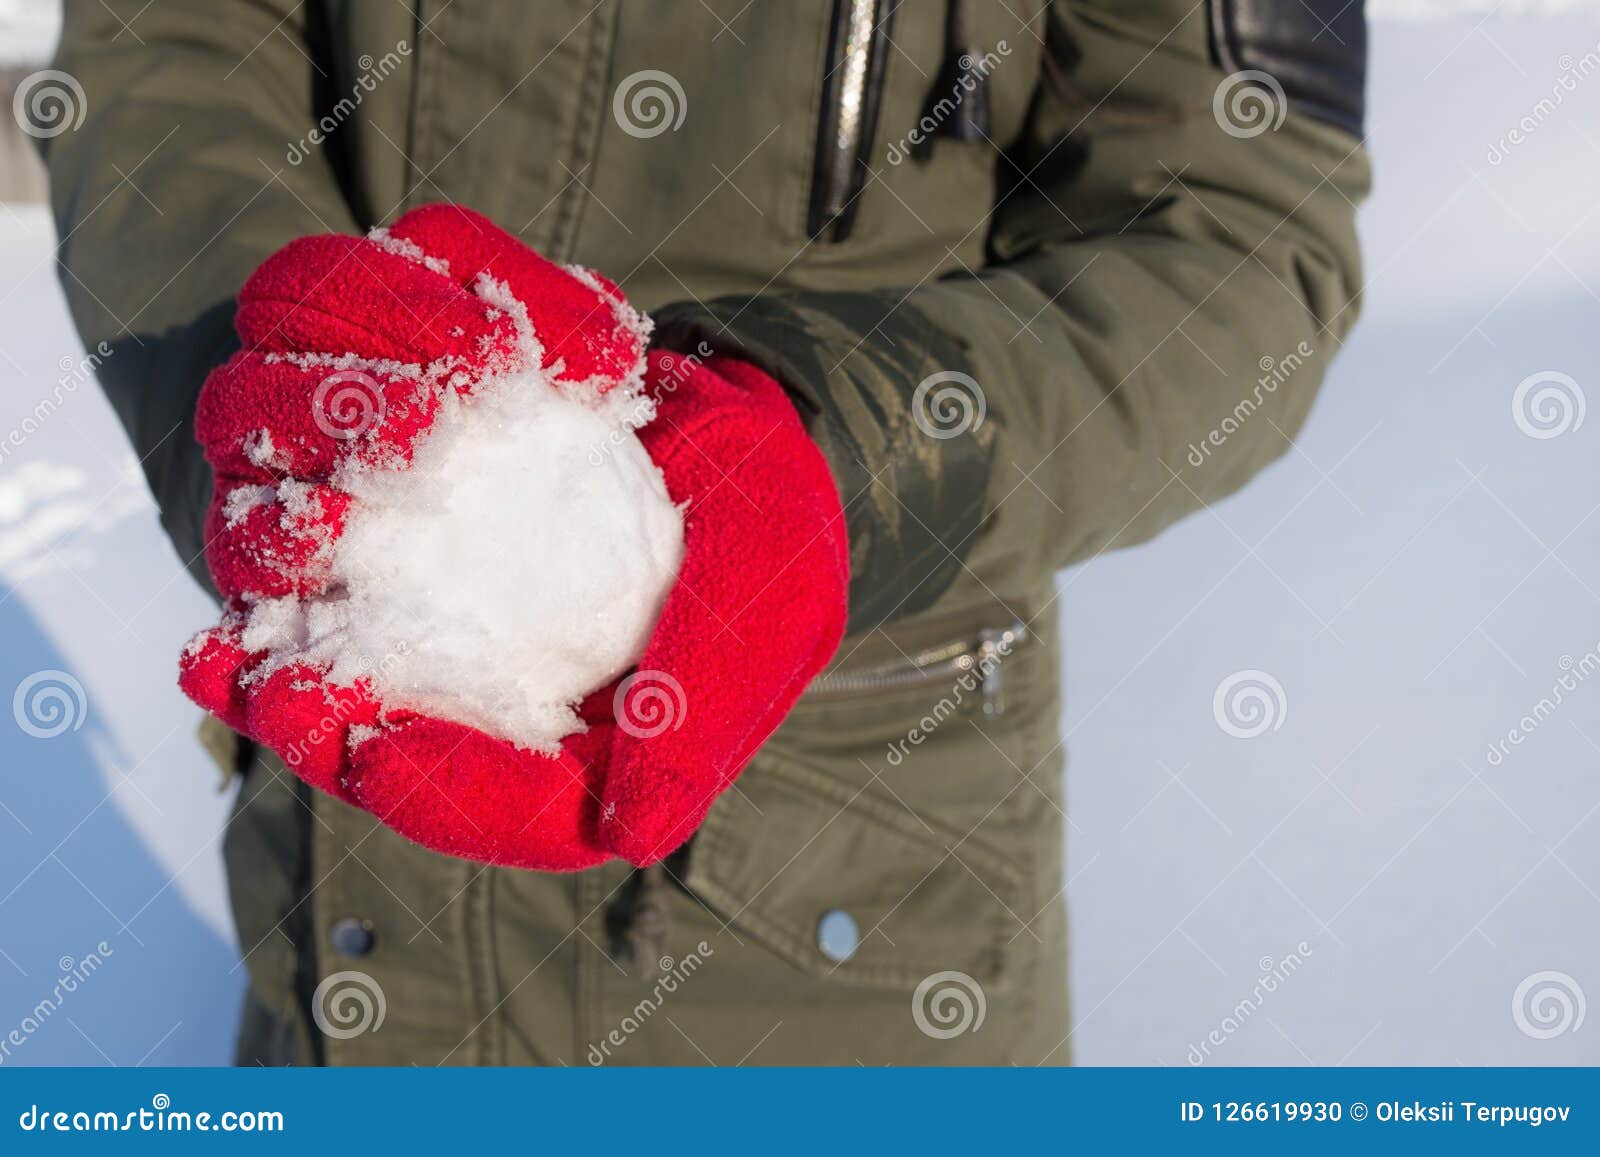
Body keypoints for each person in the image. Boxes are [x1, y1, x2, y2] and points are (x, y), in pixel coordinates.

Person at [41, 0, 1368, 1065]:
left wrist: (841, 447)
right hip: (350, 910)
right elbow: (168, 46)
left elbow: (1236, 237)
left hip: (844, 929)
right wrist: (279, 377)